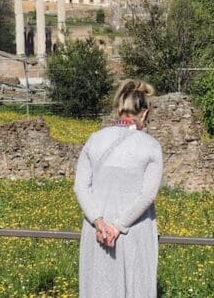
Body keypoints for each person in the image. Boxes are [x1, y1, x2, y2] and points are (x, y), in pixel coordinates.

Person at [74, 80, 163, 298]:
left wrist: (99, 221)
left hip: (96, 232)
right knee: (135, 287)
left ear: (119, 108)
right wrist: (118, 226)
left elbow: (80, 186)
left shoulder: (94, 140)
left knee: (97, 287)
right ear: (144, 113)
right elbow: (147, 195)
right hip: (133, 232)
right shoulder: (150, 145)